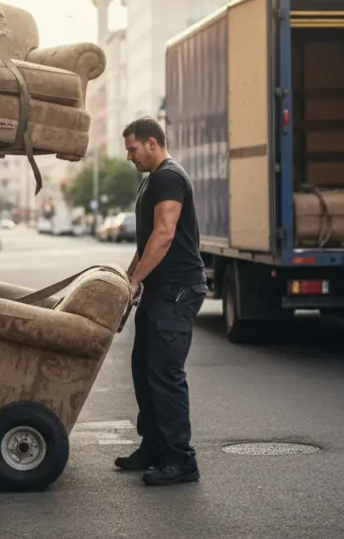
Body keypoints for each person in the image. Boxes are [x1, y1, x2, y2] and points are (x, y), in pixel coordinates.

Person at [115, 116, 207, 486]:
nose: (129, 157)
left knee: (166, 375)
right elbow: (148, 241)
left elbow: (165, 235)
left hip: (177, 290)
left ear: (153, 143)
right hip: (159, 291)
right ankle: (153, 446)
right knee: (143, 370)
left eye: (132, 149)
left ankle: (180, 460)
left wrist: (136, 281)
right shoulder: (154, 179)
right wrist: (126, 280)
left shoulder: (168, 176)